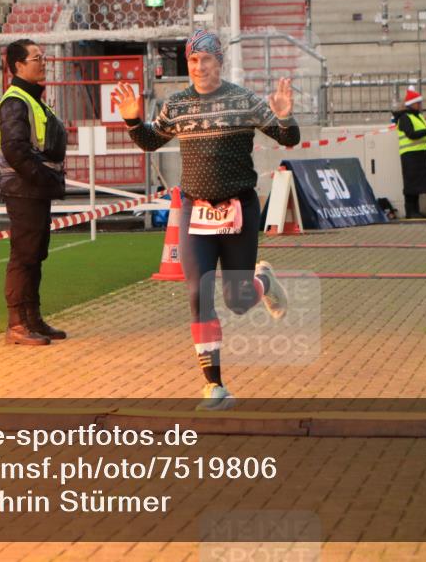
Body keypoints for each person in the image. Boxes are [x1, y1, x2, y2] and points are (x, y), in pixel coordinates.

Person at [112, 29, 300, 410]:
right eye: (193, 61)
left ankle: (263, 281)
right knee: (198, 294)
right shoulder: (177, 104)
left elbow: (289, 139)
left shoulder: (242, 100)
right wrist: (133, 122)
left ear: (219, 62)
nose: (199, 67)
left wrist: (284, 116)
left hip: (239, 210)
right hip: (195, 211)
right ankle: (214, 385)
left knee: (237, 300)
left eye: (206, 60)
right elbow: (151, 141)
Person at [0, 39, 68, 346]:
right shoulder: (15, 101)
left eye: (43, 57)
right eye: (37, 58)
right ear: (19, 66)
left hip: (34, 189)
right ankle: (17, 324)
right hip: (25, 190)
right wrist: (42, 177)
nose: (44, 62)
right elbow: (15, 150)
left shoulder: (32, 99)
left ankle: (33, 319)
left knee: (35, 255)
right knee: (24, 257)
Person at [393, 86, 426, 219]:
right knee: (411, 184)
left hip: (419, 154)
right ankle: (410, 211)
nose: (420, 105)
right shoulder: (405, 118)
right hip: (410, 155)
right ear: (412, 104)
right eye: (418, 102)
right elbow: (412, 135)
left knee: (417, 184)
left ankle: (415, 211)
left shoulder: (418, 116)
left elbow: (424, 136)